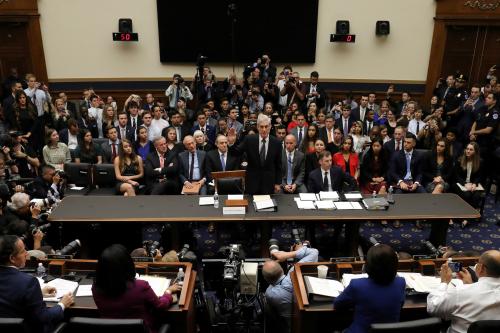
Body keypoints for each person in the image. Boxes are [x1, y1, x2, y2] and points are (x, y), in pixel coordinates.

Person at [92, 244, 181, 333]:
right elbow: (161, 305)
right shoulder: (140, 286)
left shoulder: (96, 288)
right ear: (128, 264)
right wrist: (168, 292)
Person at [0, 235, 74, 333]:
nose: (27, 253)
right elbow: (43, 318)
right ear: (12, 258)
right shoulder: (28, 282)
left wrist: (37, 293)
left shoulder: (27, 285)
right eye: (23, 251)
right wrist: (62, 305)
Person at [334, 244, 406, 333]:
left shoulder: (357, 285)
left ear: (367, 265)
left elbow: (337, 305)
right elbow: (401, 303)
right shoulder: (401, 282)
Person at [427, 250, 500, 333]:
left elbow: (433, 308)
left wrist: (444, 282)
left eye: (477, 263)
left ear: (481, 268)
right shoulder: (465, 290)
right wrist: (469, 285)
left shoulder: (460, 292)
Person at [262, 243, 318, 333]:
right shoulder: (294, 271)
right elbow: (314, 252)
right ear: (282, 269)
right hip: (312, 322)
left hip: (292, 327)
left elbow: (271, 283)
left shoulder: (270, 294)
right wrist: (290, 254)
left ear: (266, 279)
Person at [228, 114, 282, 194]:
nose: (264, 129)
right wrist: (231, 143)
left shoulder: (276, 142)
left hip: (269, 182)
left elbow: (278, 165)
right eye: (261, 127)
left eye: (266, 126)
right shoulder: (249, 139)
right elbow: (236, 153)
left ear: (270, 127)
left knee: (268, 205)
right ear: (257, 127)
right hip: (252, 182)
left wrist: (278, 183)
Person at [452, 142, 483, 227]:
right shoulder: (459, 160)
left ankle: (466, 218)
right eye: (467, 149)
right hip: (459, 183)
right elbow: (456, 176)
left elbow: (480, 176)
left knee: (476, 196)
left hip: (472, 184)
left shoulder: (480, 162)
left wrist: (474, 184)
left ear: (475, 152)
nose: (468, 151)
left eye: (471, 150)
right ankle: (465, 216)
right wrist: (465, 184)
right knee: (467, 195)